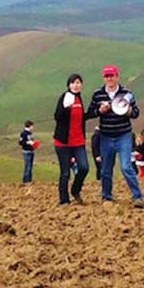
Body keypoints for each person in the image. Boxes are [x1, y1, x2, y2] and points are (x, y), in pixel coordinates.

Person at [87, 65, 144, 207]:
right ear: (103, 78)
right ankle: (106, 196)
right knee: (106, 169)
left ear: (117, 76)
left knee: (126, 167)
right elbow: (90, 112)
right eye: (107, 76)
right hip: (105, 135)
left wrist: (129, 111)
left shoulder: (127, 93)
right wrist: (100, 110)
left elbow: (136, 113)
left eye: (112, 75)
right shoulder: (98, 94)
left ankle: (137, 196)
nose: (109, 79)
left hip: (123, 135)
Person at [53, 73, 89, 205]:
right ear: (69, 85)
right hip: (63, 142)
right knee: (65, 172)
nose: (76, 85)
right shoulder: (65, 97)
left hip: (78, 141)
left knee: (84, 167)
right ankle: (64, 200)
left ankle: (75, 189)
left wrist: (97, 112)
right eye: (73, 83)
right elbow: (57, 116)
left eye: (78, 82)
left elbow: (81, 117)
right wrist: (66, 109)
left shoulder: (79, 99)